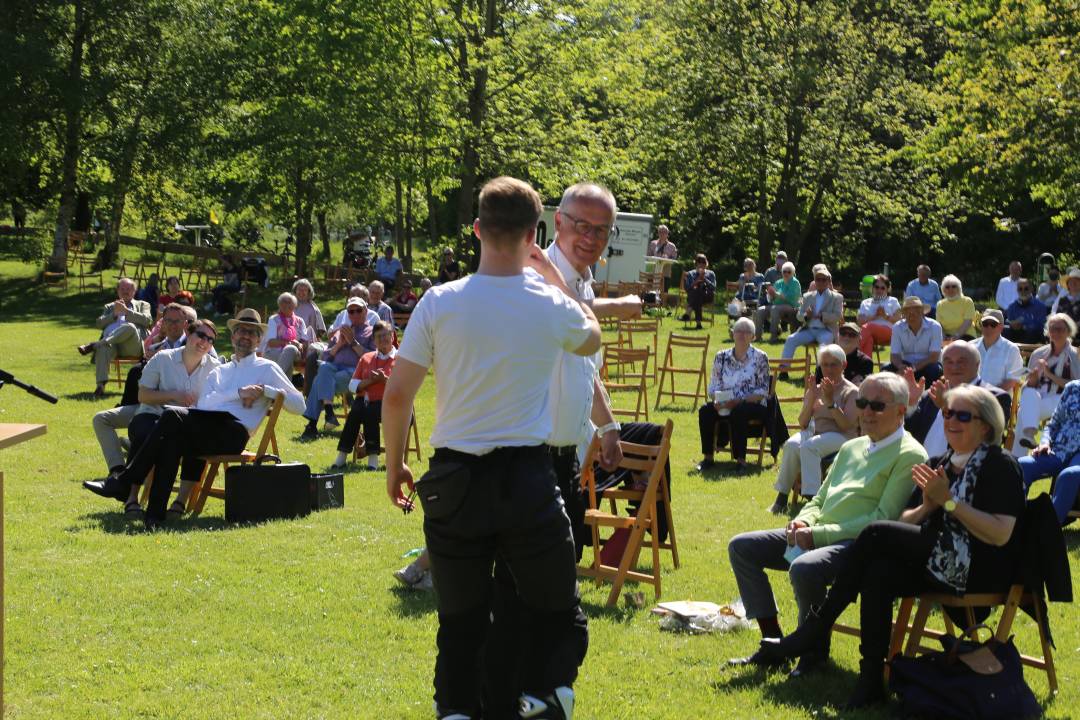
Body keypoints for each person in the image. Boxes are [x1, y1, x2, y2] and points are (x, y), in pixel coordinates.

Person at [381, 176, 599, 720]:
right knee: (558, 608)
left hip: (453, 480)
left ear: (477, 229)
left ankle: (456, 710)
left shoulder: (438, 302)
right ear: (535, 235)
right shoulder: (550, 303)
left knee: (461, 619)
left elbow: (397, 396)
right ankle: (549, 696)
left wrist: (395, 465)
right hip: (527, 479)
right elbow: (593, 333)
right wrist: (550, 274)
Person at [746, 385, 1023, 709]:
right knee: (878, 573)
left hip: (978, 568)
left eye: (962, 415)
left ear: (985, 426)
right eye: (947, 413)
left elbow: (1001, 534)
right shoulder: (941, 463)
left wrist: (949, 503)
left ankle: (815, 630)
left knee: (875, 532)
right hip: (936, 560)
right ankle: (871, 680)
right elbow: (909, 521)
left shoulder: (1000, 464)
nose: (951, 421)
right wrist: (928, 506)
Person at [482, 181, 634, 719]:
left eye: (601, 229)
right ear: (558, 222)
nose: (590, 236)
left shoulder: (579, 281)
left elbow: (583, 365)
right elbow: (578, 324)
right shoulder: (534, 277)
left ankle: (529, 691)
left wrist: (608, 426)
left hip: (564, 455)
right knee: (540, 584)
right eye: (582, 224)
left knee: (548, 576)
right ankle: (540, 691)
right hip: (525, 454)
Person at [727, 372, 928, 675]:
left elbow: (881, 520)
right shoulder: (852, 447)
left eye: (877, 406)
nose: (867, 412)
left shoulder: (911, 454)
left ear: (901, 411)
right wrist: (801, 522)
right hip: (818, 532)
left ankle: (812, 651)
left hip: (859, 546)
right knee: (742, 547)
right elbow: (819, 499)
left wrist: (816, 534)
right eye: (862, 403)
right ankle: (773, 641)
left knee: (805, 568)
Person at [83, 309, 305, 530]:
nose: (245, 335)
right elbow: (205, 404)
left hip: (234, 432)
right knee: (170, 442)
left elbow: (299, 404)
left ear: (259, 339)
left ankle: (123, 481)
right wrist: (239, 393)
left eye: (252, 332)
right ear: (233, 336)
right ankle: (155, 516)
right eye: (241, 331)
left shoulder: (266, 368)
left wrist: (265, 390)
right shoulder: (221, 370)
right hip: (207, 424)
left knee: (171, 416)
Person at [117, 318, 221, 519]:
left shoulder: (215, 368)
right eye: (200, 335)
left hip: (186, 422)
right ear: (188, 334)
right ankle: (131, 498)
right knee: (147, 434)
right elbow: (143, 396)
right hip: (152, 414)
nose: (204, 342)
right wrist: (174, 395)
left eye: (210, 339)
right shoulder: (163, 358)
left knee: (195, 440)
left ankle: (179, 501)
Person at [770, 344, 860, 514]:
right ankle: (781, 498)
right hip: (816, 434)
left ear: (844, 365)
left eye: (834, 364)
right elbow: (803, 423)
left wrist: (831, 402)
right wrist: (811, 397)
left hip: (843, 437)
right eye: (825, 365)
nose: (828, 369)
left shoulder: (852, 392)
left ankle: (813, 501)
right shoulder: (816, 389)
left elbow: (846, 425)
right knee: (790, 445)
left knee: (809, 447)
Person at [902, 340, 1011, 459]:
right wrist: (911, 404)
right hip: (919, 470)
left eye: (961, 362)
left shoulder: (995, 398)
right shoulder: (931, 394)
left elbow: (983, 443)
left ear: (977, 364)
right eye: (948, 362)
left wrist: (947, 407)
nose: (954, 367)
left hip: (962, 472)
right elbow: (908, 435)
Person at [695, 318, 771, 472]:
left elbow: (763, 390)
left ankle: (741, 461)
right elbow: (713, 386)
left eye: (746, 332)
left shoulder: (761, 357)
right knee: (705, 410)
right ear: (733, 334)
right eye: (738, 331)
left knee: (739, 411)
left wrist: (739, 400)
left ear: (753, 336)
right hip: (725, 402)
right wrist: (716, 400)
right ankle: (708, 458)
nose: (742, 334)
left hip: (752, 404)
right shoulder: (721, 356)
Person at [300, 297, 375, 439]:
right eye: (351, 311)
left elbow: (371, 359)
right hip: (334, 368)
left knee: (318, 381)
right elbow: (326, 357)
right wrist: (339, 344)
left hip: (355, 372)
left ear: (366, 311)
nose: (355, 314)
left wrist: (353, 342)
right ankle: (328, 414)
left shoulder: (372, 332)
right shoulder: (341, 331)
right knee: (325, 368)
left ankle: (314, 423)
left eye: (358, 310)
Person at [332, 321, 396, 470]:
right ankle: (342, 456)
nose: (383, 339)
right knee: (356, 412)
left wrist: (384, 380)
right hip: (365, 401)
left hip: (391, 404)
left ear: (392, 336)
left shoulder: (401, 359)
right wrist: (370, 381)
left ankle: (372, 460)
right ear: (374, 340)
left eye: (386, 335)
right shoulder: (366, 358)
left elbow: (404, 388)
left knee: (368, 410)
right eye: (379, 337)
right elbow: (352, 386)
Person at [1011, 314, 1078, 456]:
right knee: (1029, 393)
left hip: (1063, 401)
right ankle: (1028, 437)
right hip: (1039, 398)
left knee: (1024, 412)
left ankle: (1017, 458)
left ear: (1068, 331)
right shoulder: (1038, 353)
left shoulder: (1075, 355)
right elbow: (1030, 385)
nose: (1056, 332)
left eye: (1060, 329)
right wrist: (1034, 378)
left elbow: (1076, 388)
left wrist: (1049, 375)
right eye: (1052, 329)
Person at [77, 278, 153, 397]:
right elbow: (99, 324)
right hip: (113, 345)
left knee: (130, 327)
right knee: (104, 348)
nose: (125, 291)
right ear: (117, 291)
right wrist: (114, 315)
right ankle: (100, 386)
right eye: (122, 289)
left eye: (128, 289)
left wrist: (127, 312)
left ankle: (96, 344)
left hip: (132, 345)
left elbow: (147, 320)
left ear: (134, 291)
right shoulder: (109, 307)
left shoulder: (143, 305)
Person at [1018, 379, 1080, 524]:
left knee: (1070, 475)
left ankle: (1048, 531)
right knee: (1021, 465)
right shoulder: (1073, 388)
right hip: (1059, 451)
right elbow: (1053, 424)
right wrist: (1044, 442)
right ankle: (1016, 523)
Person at [780, 267, 844, 369]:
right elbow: (799, 316)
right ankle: (784, 370)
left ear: (828, 281)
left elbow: (838, 316)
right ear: (814, 281)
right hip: (809, 330)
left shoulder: (837, 297)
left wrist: (822, 315)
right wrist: (806, 315)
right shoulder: (807, 296)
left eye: (824, 280)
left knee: (825, 343)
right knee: (790, 339)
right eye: (818, 279)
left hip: (826, 330)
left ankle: (819, 372)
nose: (821, 282)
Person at [882, 296, 943, 384]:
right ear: (904, 314)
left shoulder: (935, 326)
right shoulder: (897, 327)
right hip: (905, 365)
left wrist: (913, 368)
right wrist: (900, 366)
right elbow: (894, 355)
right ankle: (890, 396)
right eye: (908, 311)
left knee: (934, 370)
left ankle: (928, 396)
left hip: (927, 364)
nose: (912, 313)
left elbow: (933, 357)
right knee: (885, 370)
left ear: (922, 312)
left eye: (916, 310)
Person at [259, 292, 311, 375]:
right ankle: (285, 385)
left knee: (291, 349)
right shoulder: (274, 319)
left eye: (289, 302)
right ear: (279, 305)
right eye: (284, 302)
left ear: (295, 305)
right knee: (289, 356)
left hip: (296, 352)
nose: (287, 305)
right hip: (274, 352)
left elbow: (305, 341)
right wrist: (289, 343)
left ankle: (275, 377)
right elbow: (271, 342)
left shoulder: (300, 321)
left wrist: (300, 345)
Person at [974, 309, 1023, 391]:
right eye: (985, 324)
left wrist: (992, 395)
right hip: (970, 397)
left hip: (998, 399)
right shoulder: (970, 346)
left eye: (993, 324)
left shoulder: (1012, 349)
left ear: (1001, 327)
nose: (988, 327)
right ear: (981, 326)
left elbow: (1013, 380)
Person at [755, 261, 801, 342]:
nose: (786, 273)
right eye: (784, 271)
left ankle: (773, 336)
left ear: (793, 273)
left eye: (789, 272)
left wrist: (776, 294)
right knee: (760, 310)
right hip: (776, 305)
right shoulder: (778, 282)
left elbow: (789, 298)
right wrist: (770, 295)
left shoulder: (795, 283)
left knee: (775, 309)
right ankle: (758, 336)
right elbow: (771, 299)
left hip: (791, 307)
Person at [856, 274, 901, 356]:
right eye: (876, 287)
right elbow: (859, 322)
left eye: (883, 288)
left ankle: (852, 351)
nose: (879, 290)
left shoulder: (893, 301)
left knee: (868, 327)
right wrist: (875, 316)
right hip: (869, 333)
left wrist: (885, 316)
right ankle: (865, 366)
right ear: (872, 288)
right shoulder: (865, 302)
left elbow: (899, 320)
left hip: (890, 333)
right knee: (868, 339)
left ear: (887, 289)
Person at [1004, 278, 1049, 344]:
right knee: (1005, 330)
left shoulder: (1040, 306)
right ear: (1017, 290)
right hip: (1015, 335)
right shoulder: (1012, 307)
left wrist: (1023, 326)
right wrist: (1012, 325)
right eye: (1020, 289)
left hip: (1032, 336)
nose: (1023, 291)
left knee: (1032, 332)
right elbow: (1008, 322)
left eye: (1026, 288)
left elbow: (1040, 325)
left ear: (1031, 289)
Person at [935, 274, 979, 340]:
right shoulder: (940, 304)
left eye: (953, 286)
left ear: (958, 288)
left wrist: (956, 336)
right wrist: (943, 337)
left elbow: (968, 322)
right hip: (947, 337)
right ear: (943, 290)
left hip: (965, 335)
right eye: (947, 287)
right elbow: (939, 324)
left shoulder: (967, 301)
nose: (950, 289)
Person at [681, 253, 716, 329]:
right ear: (696, 263)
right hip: (694, 296)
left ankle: (689, 311)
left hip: (707, 296)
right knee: (697, 292)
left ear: (706, 263)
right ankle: (698, 324)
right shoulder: (690, 274)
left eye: (703, 262)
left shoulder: (711, 273)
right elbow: (687, 289)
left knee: (697, 294)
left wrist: (705, 279)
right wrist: (697, 281)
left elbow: (713, 287)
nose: (701, 265)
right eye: (699, 262)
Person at [292, 278, 327, 342]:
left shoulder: (312, 309)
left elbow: (312, 331)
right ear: (295, 291)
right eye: (299, 289)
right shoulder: (290, 305)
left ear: (309, 292)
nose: (301, 292)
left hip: (306, 341)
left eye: (305, 290)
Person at [1049, 267, 1080, 332]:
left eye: (1077, 281)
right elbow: (1054, 311)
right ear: (1068, 284)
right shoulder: (1062, 299)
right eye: (1071, 281)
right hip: (1063, 332)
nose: (1074, 283)